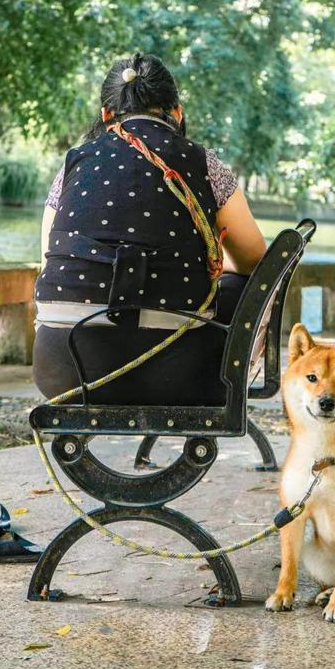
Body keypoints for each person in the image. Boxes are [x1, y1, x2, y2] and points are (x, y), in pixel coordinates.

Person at [32, 52, 267, 406]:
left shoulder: (72, 164)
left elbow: (48, 258)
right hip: (175, 375)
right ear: (177, 112)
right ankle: (232, 382)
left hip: (62, 370)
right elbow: (254, 261)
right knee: (244, 284)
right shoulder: (204, 163)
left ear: (106, 115)